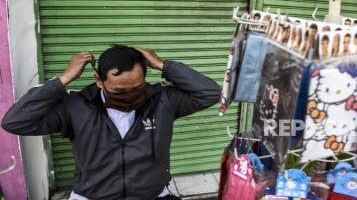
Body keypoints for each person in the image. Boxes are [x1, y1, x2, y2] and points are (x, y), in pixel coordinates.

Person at [2, 45, 221, 199]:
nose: (129, 95)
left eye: (136, 88)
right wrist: (65, 77)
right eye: (119, 90)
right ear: (99, 81)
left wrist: (165, 66)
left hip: (152, 195)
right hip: (92, 196)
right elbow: (15, 121)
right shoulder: (75, 106)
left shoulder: (162, 101)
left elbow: (210, 93)